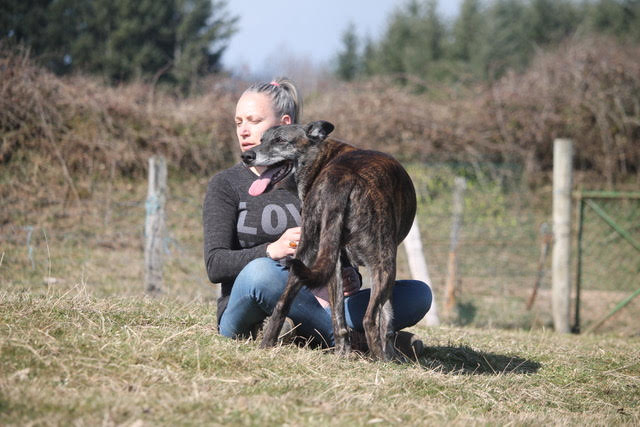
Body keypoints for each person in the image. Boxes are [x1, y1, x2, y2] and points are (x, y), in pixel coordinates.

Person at [203, 77, 432, 356]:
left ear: (284, 124)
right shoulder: (226, 184)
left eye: (253, 120)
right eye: (239, 122)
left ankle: (304, 333)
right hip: (249, 302)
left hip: (321, 301)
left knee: (417, 294)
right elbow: (215, 265)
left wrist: (351, 278)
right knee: (261, 274)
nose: (244, 130)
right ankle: (360, 340)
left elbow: (341, 255)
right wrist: (271, 250)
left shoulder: (315, 182)